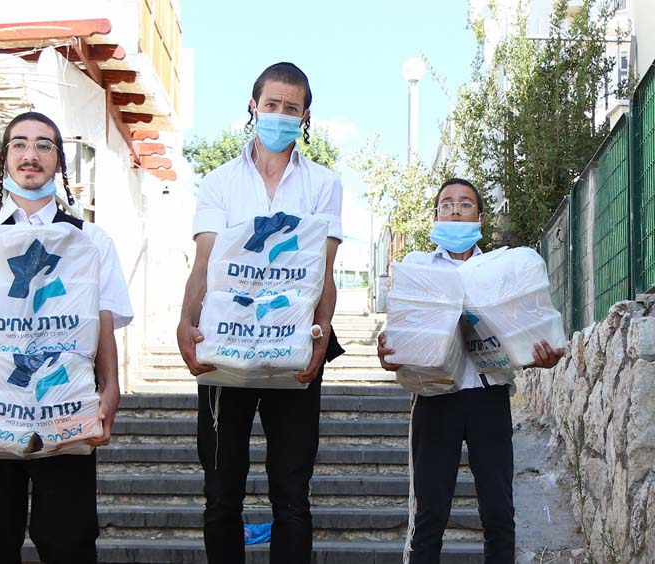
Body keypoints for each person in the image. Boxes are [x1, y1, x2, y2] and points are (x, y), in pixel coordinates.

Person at [0, 111, 133, 564]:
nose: (31, 154)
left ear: (59, 162)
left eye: (44, 145)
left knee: (69, 543)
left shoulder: (91, 240)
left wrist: (111, 388)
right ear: (5, 159)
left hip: (66, 407)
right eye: (19, 144)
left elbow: (102, 320)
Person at [176, 62, 344, 564]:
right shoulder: (220, 182)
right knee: (220, 492)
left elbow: (325, 270)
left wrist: (322, 334)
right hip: (225, 348)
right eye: (271, 104)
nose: (280, 115)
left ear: (305, 117)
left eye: (291, 108)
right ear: (253, 107)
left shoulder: (323, 184)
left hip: (293, 349)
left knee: (292, 495)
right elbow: (204, 263)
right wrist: (186, 322)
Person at [377, 178, 564, 564]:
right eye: (446, 204)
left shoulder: (499, 271)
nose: (455, 211)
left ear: (480, 217)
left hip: (488, 398)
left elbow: (522, 329)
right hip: (434, 399)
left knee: (498, 513)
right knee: (429, 517)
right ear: (435, 216)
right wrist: (388, 351)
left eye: (465, 204)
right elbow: (400, 331)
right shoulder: (417, 268)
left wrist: (541, 352)